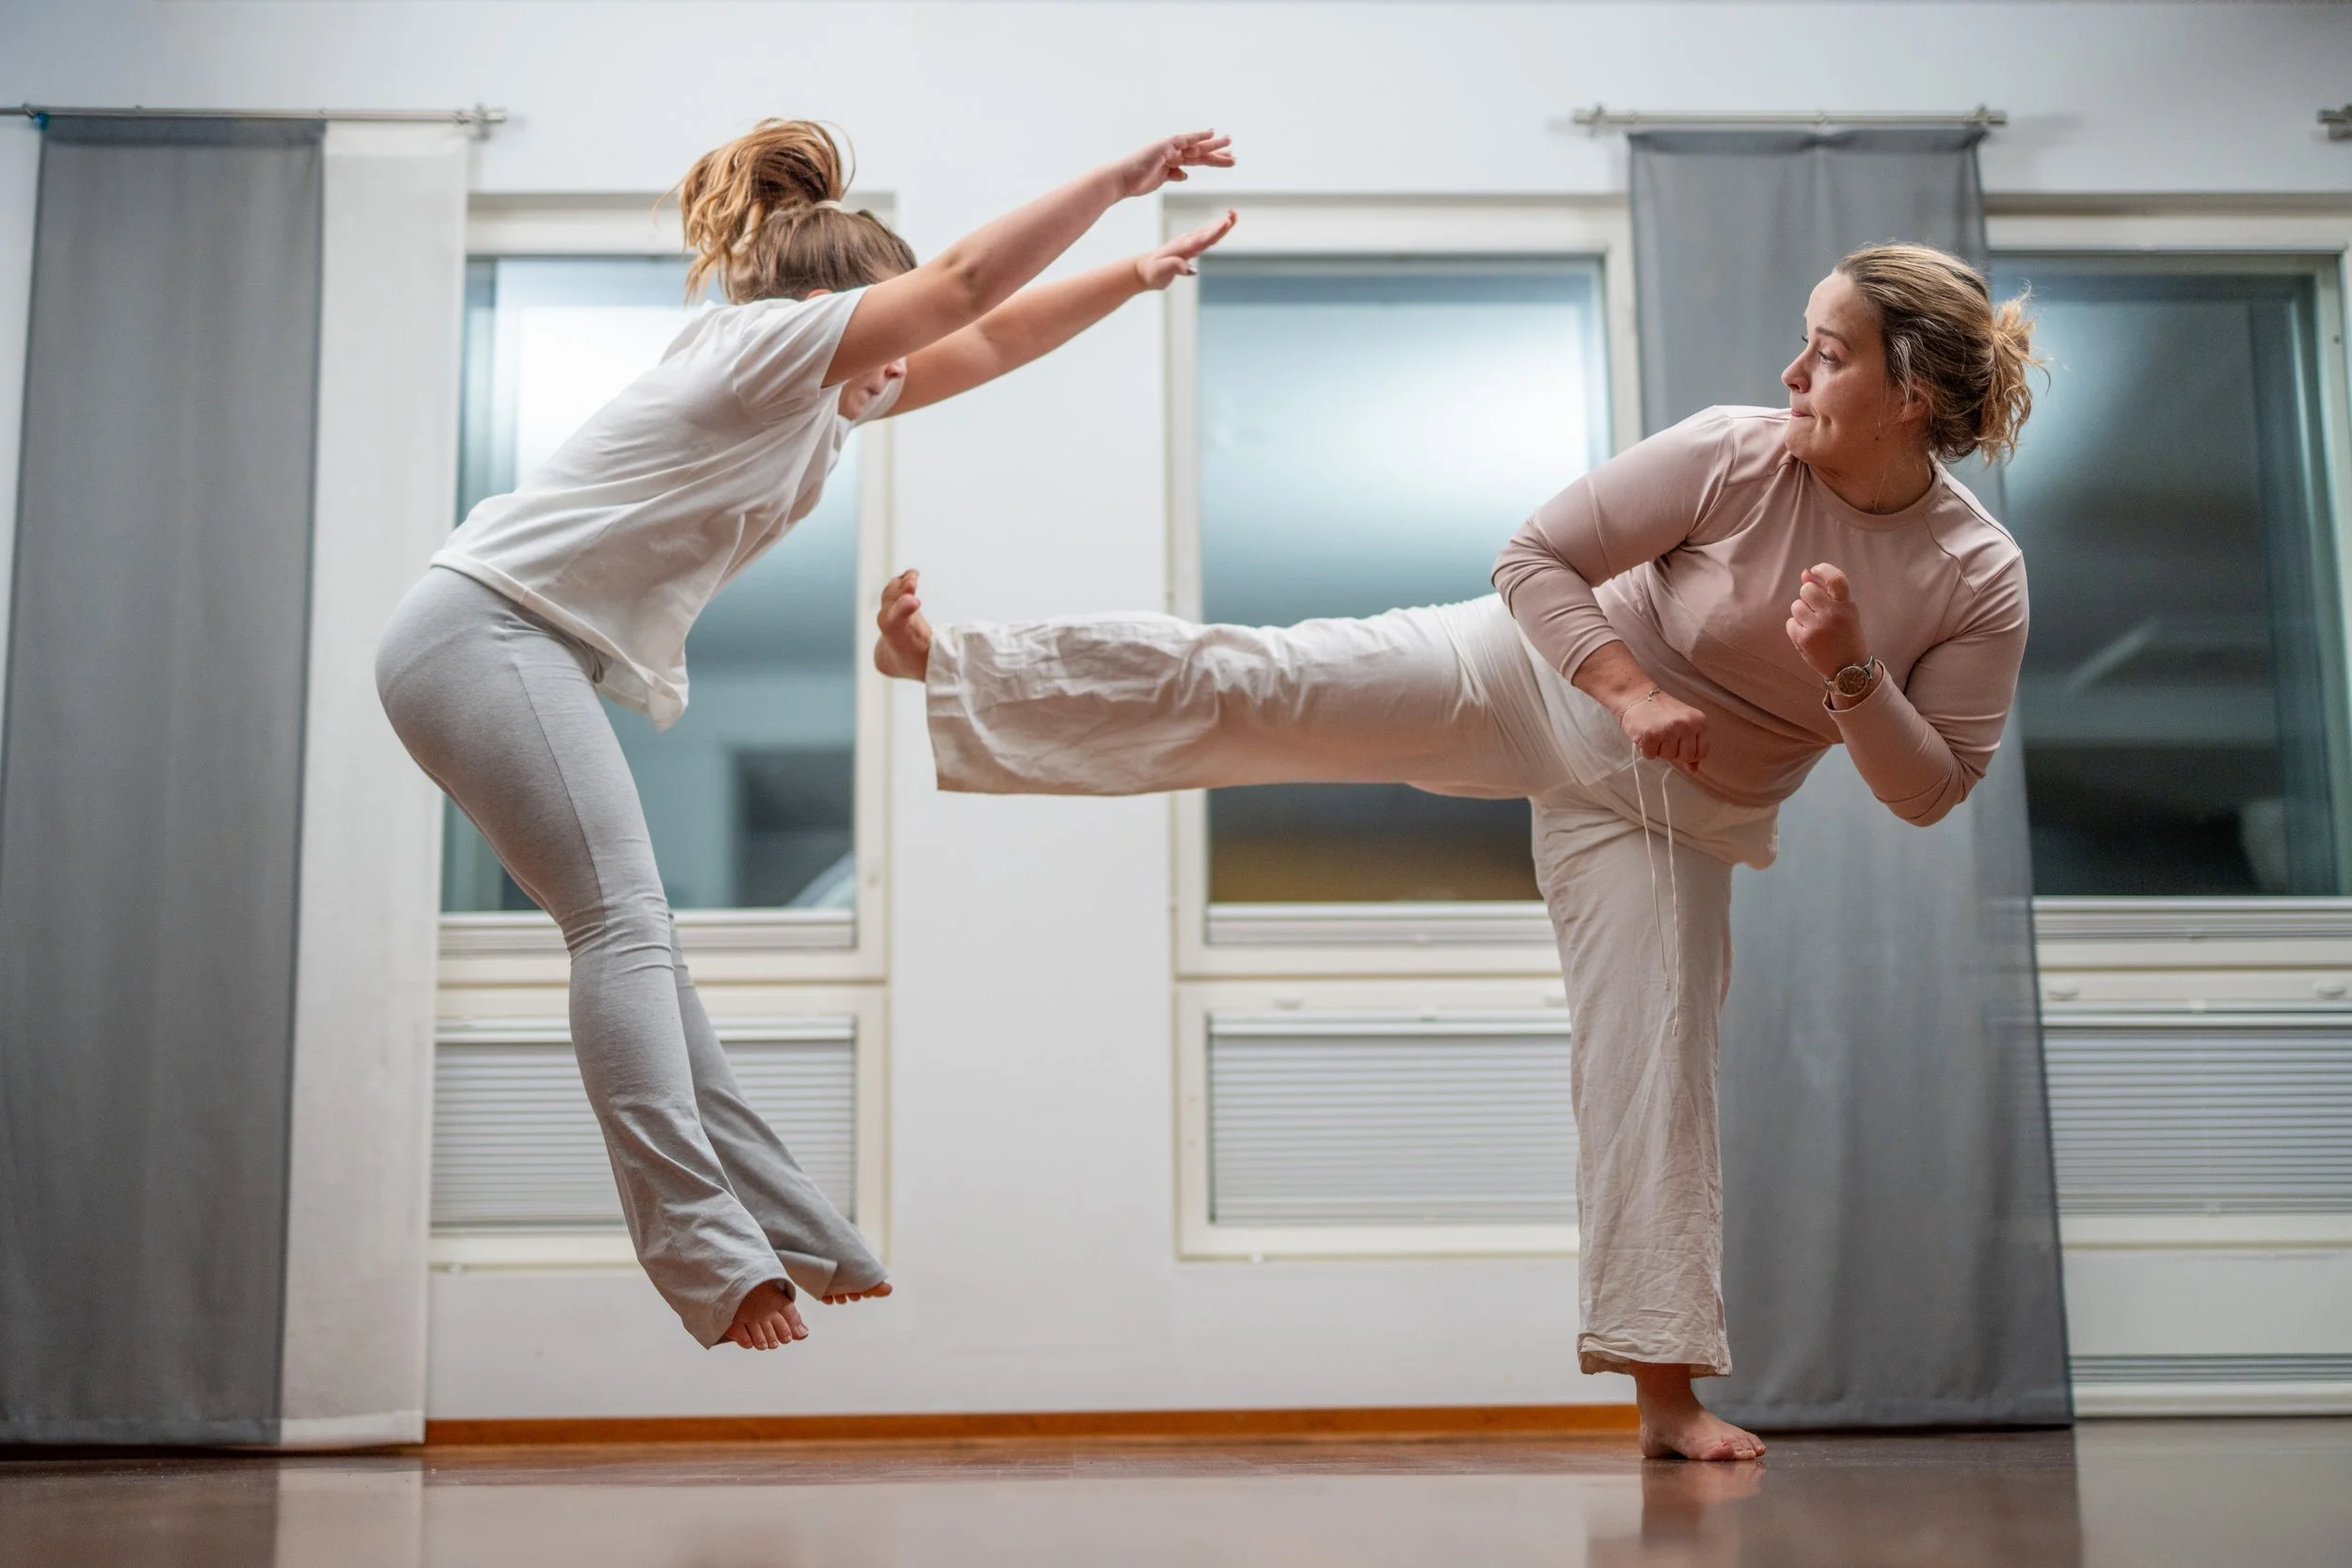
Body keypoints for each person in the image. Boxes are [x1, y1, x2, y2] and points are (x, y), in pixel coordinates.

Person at [873, 243, 2037, 1458]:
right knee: (1262, 677)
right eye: (1805, 338)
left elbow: (1930, 790)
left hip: (1671, 812)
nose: (1792, 370)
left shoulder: (1976, 575)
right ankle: (956, 664)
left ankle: (1666, 1401)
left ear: (1911, 398)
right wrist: (1629, 687)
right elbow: (1532, 558)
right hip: (1525, 676)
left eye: (1830, 353)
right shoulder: (1733, 451)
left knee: (1655, 1070)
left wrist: (1848, 667)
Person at [376, 119, 1237, 1353]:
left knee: (641, 939)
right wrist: (1113, 183)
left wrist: (1135, 275)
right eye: (892, 323)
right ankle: (710, 1258)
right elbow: (966, 290)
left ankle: (797, 1234)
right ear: (830, 309)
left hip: (507, 644)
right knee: (620, 921)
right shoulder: (759, 350)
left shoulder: (821, 400)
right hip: (479, 630)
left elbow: (985, 334)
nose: (912, 350)